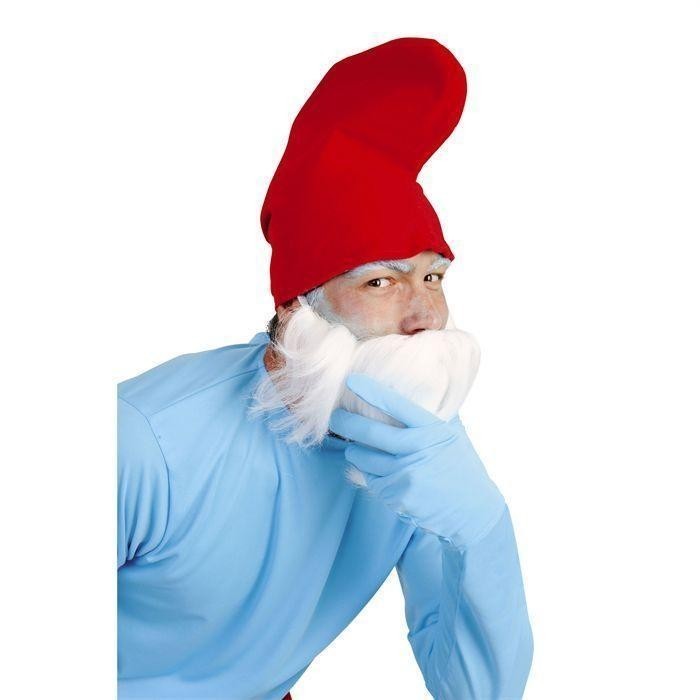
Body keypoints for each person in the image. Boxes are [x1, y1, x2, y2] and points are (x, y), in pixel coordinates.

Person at [117, 37, 534, 699]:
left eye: (432, 276)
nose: (425, 314)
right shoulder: (144, 439)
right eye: (380, 282)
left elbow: (476, 692)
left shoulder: (416, 449)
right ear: (295, 307)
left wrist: (481, 528)